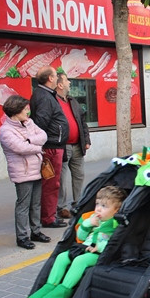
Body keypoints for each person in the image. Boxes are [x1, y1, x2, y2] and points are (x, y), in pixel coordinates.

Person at [28, 186, 127, 298]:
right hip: (82, 247)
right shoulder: (90, 217)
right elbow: (80, 236)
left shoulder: (116, 223)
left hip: (99, 254)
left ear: (116, 210)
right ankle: (49, 286)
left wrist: (100, 247)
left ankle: (63, 292)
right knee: (61, 257)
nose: (99, 209)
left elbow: (117, 242)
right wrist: (87, 225)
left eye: (104, 206)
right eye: (97, 204)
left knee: (79, 261)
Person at [0, 95, 51, 249]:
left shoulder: (29, 123)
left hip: (37, 169)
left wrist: (29, 140)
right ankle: (22, 237)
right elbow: (20, 148)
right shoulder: (5, 130)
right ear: (16, 111)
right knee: (23, 204)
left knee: (36, 203)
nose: (27, 112)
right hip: (22, 171)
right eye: (24, 109)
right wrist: (38, 147)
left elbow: (43, 136)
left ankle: (36, 231)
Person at [29, 66, 69, 228]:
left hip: (54, 144)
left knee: (52, 183)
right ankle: (48, 217)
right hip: (51, 146)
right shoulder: (44, 96)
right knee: (51, 184)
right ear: (51, 79)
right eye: (56, 76)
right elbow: (41, 122)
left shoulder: (45, 94)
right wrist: (43, 144)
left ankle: (49, 215)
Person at [55, 72, 91, 219]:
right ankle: (61, 207)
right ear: (60, 84)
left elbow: (83, 121)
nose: (70, 82)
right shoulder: (53, 102)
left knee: (79, 175)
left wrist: (86, 139)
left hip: (77, 145)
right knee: (61, 178)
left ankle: (78, 203)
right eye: (67, 80)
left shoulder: (72, 101)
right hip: (62, 146)